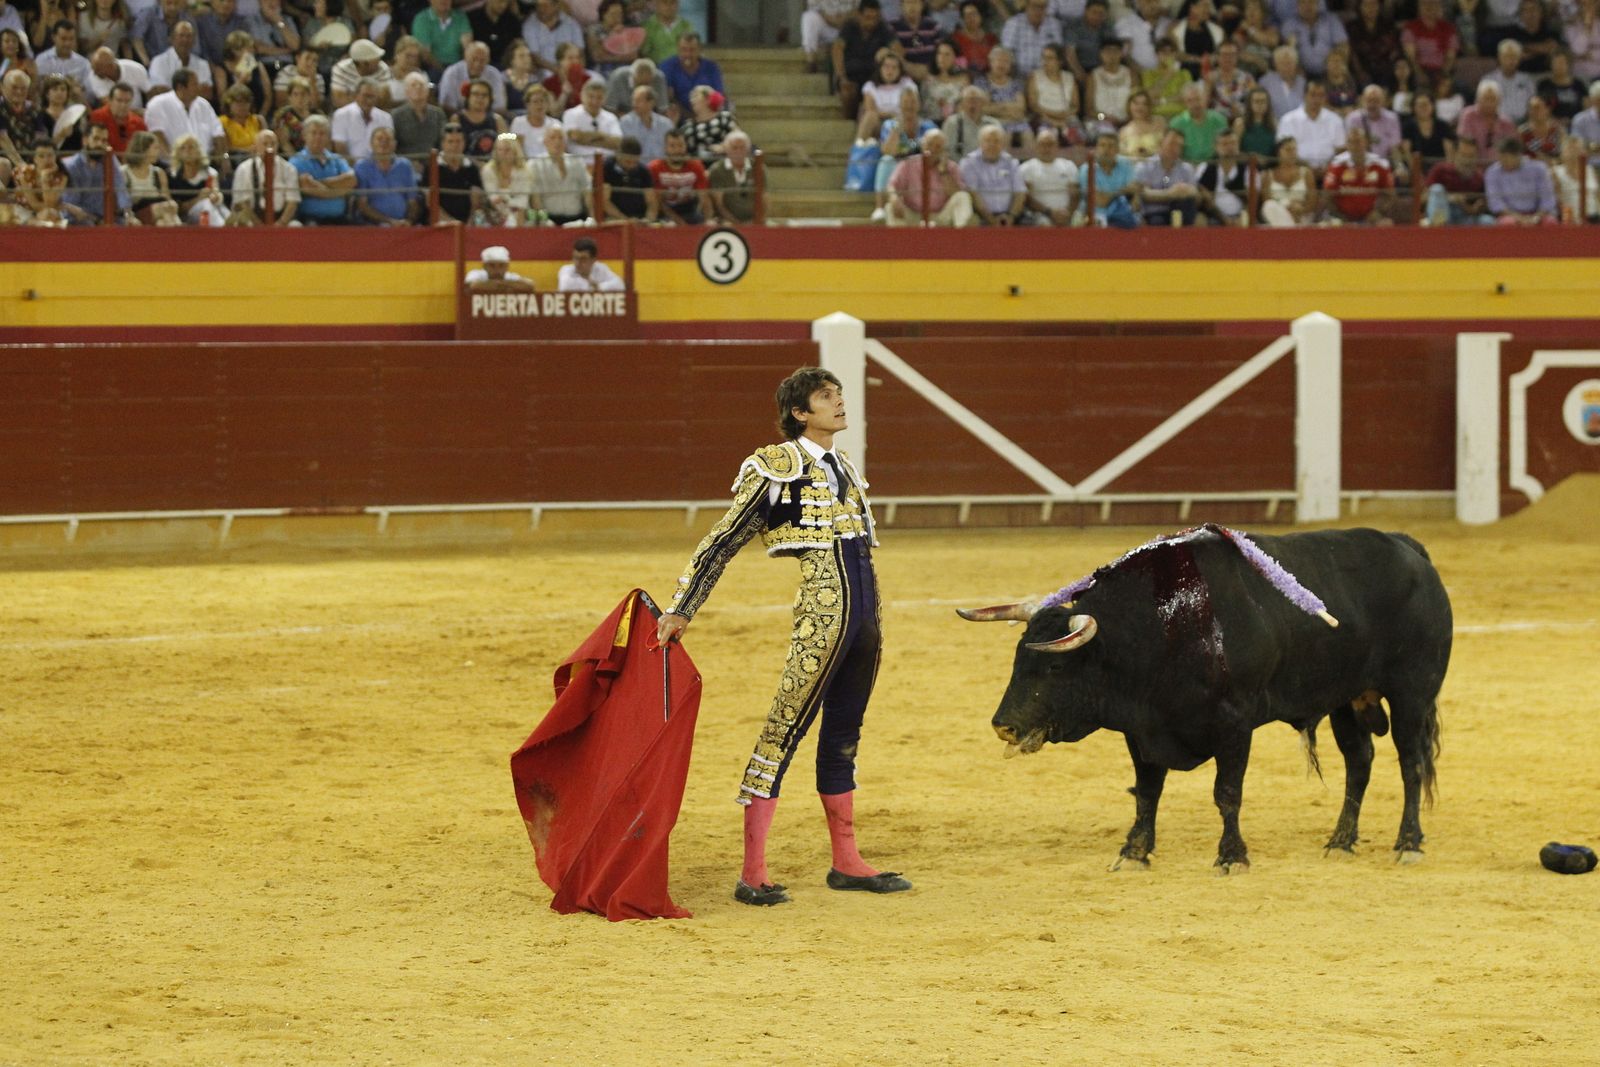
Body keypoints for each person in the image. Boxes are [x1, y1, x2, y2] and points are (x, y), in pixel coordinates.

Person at [656, 366, 911, 906]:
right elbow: (724, 538)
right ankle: (753, 872)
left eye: (839, 394)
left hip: (866, 616)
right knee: (783, 728)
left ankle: (847, 862)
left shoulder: (843, 465)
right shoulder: (777, 466)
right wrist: (682, 607)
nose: (840, 403)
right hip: (824, 612)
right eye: (826, 397)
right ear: (800, 413)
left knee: (845, 731)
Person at [886, 126, 973, 226]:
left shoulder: (952, 167)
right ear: (923, 145)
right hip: (913, 214)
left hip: (941, 215)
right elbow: (892, 185)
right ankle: (900, 241)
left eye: (938, 146)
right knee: (890, 207)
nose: (933, 149)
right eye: (930, 144)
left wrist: (943, 172)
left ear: (944, 150)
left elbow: (956, 194)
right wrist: (894, 198)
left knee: (963, 197)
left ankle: (962, 239)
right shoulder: (908, 164)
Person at [60, 121, 132, 225]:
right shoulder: (71, 166)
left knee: (129, 227)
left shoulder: (109, 159)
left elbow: (120, 187)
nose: (100, 144)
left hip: (105, 217)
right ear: (85, 140)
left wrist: (128, 214)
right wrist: (97, 221)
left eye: (104, 141)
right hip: (78, 218)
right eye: (96, 139)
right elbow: (73, 207)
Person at [145, 68, 224, 161]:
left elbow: (218, 133)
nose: (199, 87)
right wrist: (174, 163)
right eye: (194, 84)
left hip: (205, 163)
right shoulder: (158, 104)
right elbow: (157, 136)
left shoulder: (203, 105)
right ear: (180, 87)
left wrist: (223, 159)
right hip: (172, 166)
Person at [290, 112, 355, 223]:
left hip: (340, 219)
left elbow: (351, 180)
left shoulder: (337, 159)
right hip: (310, 220)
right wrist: (339, 191)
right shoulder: (296, 161)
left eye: (322, 133)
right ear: (304, 135)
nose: (318, 137)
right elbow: (304, 185)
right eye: (314, 133)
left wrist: (317, 184)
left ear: (328, 137)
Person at [834, 0, 894, 119]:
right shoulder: (849, 27)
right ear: (859, 15)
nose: (871, 22)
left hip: (874, 78)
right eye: (868, 17)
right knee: (847, 91)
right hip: (851, 76)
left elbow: (897, 48)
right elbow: (837, 48)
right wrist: (842, 76)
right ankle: (848, 123)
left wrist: (889, 52)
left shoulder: (883, 28)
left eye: (875, 18)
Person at [1323, 125, 1394, 223]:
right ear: (1346, 144)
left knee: (1386, 224)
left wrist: (1378, 212)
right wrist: (1341, 217)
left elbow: (1390, 195)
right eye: (1351, 142)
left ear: (1366, 143)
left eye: (1358, 142)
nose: (1355, 146)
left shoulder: (1380, 165)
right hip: (1343, 219)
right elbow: (1327, 197)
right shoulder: (1337, 165)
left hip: (1373, 219)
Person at [959, 122, 1027, 225]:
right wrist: (991, 219)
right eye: (988, 141)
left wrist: (1011, 216)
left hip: (1011, 215)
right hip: (981, 215)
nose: (992, 145)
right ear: (980, 143)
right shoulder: (969, 163)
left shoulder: (1011, 162)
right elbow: (973, 194)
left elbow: (1020, 193)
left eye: (996, 141)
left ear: (1002, 144)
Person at [231, 127, 300, 224]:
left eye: (273, 144)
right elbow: (241, 202)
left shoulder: (289, 169)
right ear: (255, 146)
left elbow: (292, 201)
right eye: (265, 144)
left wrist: (281, 223)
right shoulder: (244, 169)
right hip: (252, 219)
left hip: (281, 220)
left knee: (296, 225)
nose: (269, 148)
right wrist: (258, 225)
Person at [353, 124, 419, 224]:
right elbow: (362, 205)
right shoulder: (362, 166)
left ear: (395, 144)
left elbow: (412, 201)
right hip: (372, 225)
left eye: (388, 139)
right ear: (371, 144)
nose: (384, 142)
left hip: (403, 224)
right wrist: (390, 221)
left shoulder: (405, 165)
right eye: (379, 139)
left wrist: (408, 221)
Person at [1276, 78, 1346, 171]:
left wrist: (1328, 167)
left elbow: (1340, 150)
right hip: (1297, 171)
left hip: (1329, 171)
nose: (1317, 99)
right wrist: (1307, 169)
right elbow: (1284, 151)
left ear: (1325, 98)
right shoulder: (1288, 120)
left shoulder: (1335, 120)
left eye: (1321, 95)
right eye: (1313, 95)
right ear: (1304, 95)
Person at [1484, 135, 1557, 222]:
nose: (1502, 162)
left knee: (1550, 221)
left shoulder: (1538, 169)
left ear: (1518, 156)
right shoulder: (1492, 172)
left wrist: (1537, 217)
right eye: (1500, 158)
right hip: (1509, 214)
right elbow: (1495, 202)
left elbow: (1547, 198)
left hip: (1537, 213)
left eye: (1506, 158)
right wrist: (1518, 218)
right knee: (1508, 223)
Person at [1134, 127, 1199, 224]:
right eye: (1172, 144)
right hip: (1153, 214)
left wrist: (1187, 190)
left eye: (1179, 146)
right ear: (1161, 143)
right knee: (1157, 221)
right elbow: (1143, 193)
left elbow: (1194, 193)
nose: (1175, 149)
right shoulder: (1144, 166)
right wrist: (1170, 194)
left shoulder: (1186, 168)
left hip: (1180, 212)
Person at [1424, 135, 1494, 223]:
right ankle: (1438, 229)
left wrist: (1468, 206)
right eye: (1464, 155)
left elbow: (1478, 208)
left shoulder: (1479, 178)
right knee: (1437, 189)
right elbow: (1424, 197)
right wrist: (1450, 198)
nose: (1467, 160)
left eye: (1471, 156)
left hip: (1465, 218)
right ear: (1454, 154)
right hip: (1444, 213)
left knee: (1488, 221)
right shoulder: (1440, 170)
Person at [976, 45, 1032, 155]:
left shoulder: (1016, 83)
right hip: (992, 120)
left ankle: (1029, 166)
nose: (1002, 65)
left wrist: (998, 107)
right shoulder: (982, 82)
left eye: (1006, 62)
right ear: (991, 62)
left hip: (1015, 120)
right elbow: (984, 109)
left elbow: (1021, 108)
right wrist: (1008, 107)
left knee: (1027, 133)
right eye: (999, 60)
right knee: (1005, 133)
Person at [531, 124, 592, 223]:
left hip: (577, 219)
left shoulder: (577, 161)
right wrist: (543, 221)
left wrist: (591, 218)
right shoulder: (535, 164)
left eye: (561, 138)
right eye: (552, 138)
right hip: (549, 220)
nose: (557, 142)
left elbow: (587, 192)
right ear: (545, 142)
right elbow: (536, 199)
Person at [647, 126, 707, 223]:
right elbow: (656, 201)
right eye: (672, 146)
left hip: (690, 210)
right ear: (665, 148)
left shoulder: (696, 165)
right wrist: (677, 220)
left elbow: (703, 196)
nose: (677, 150)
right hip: (663, 211)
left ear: (686, 146)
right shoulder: (654, 168)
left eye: (680, 145)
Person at [1020, 125, 1077, 225]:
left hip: (1067, 213)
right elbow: (1027, 199)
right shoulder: (1026, 168)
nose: (1046, 148)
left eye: (1050, 144)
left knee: (1080, 222)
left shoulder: (1069, 166)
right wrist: (1050, 213)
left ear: (1057, 146)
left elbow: (1075, 195)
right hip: (1039, 214)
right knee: (1044, 223)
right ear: (1036, 146)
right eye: (1043, 145)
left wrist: (1067, 213)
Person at [1081, 127, 1138, 225]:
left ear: (1117, 150)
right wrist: (1122, 192)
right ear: (1096, 148)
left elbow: (1135, 192)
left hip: (1123, 214)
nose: (1106, 150)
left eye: (1111, 146)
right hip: (1096, 215)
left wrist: (1133, 199)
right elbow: (1100, 201)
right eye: (1102, 145)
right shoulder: (1086, 169)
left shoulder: (1126, 164)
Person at [658, 32, 722, 120]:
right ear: (678, 49)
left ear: (700, 49)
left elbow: (717, 95)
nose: (688, 54)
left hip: (708, 117)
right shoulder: (667, 67)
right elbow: (667, 98)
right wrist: (692, 118)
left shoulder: (711, 67)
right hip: (677, 119)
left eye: (692, 50)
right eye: (684, 50)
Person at [122, 129, 181, 224]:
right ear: (144, 149)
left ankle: (174, 233)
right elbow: (123, 200)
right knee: (168, 208)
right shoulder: (124, 172)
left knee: (162, 223)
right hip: (138, 210)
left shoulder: (159, 172)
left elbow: (167, 198)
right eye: (155, 148)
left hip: (159, 209)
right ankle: (180, 234)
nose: (159, 151)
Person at [1279, 0, 1346, 79]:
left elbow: (1343, 46)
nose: (1307, 6)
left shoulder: (1332, 20)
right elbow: (1287, 52)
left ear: (1318, 3)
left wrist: (1336, 67)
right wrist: (1296, 69)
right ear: (1297, 5)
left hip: (1330, 72)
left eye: (1311, 2)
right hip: (1301, 74)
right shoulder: (1289, 25)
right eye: (1303, 2)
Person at [1259, 134, 1318, 224]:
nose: (1292, 153)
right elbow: (1266, 200)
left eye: (1294, 149)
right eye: (1288, 150)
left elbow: (1312, 201)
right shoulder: (1268, 175)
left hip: (1302, 216)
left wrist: (1300, 210)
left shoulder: (1306, 173)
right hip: (1278, 216)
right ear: (1278, 152)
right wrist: (1287, 206)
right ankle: (1291, 232)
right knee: (1269, 206)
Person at [331, 76, 393, 161]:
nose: (369, 100)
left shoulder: (386, 118)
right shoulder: (341, 115)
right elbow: (340, 149)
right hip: (350, 168)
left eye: (372, 97)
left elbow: (389, 147)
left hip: (379, 168)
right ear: (356, 95)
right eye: (366, 96)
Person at [149, 20, 213, 100]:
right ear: (171, 39)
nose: (185, 40)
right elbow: (157, 92)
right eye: (181, 35)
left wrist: (172, 91)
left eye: (189, 36)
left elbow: (207, 93)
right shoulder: (158, 62)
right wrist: (193, 92)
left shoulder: (203, 64)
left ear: (194, 40)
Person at [482, 128, 535, 223]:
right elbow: (492, 198)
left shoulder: (524, 170)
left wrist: (504, 199)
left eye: (507, 150)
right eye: (500, 150)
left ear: (515, 151)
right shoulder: (488, 170)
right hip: (495, 212)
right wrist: (507, 202)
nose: (503, 154)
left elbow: (523, 199)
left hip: (520, 212)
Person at [1170, 81, 1229, 163]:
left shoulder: (1219, 120)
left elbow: (1226, 149)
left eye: (1198, 99)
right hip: (1187, 168)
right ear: (1184, 103)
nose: (1195, 104)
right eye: (1190, 101)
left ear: (1205, 98)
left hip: (1213, 166)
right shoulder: (1176, 124)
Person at [1402, 0, 1459, 87]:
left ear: (1439, 6)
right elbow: (1411, 56)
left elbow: (1450, 57)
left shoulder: (1449, 29)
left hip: (1441, 71)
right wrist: (1419, 74)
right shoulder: (1410, 28)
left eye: (1433, 3)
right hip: (1418, 70)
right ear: (1419, 7)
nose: (1429, 7)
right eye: (1425, 3)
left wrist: (1443, 74)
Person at [1000, 0, 1062, 79]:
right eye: (1034, 6)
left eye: (1042, 7)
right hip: (1019, 76)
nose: (1038, 10)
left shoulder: (1054, 25)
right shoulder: (1013, 23)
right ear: (1026, 6)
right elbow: (1006, 54)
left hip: (1047, 76)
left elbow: (1057, 54)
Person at [563, 78, 622, 160]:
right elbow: (576, 136)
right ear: (582, 96)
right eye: (591, 97)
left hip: (606, 164)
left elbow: (617, 142)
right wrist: (601, 135)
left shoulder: (611, 117)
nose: (594, 101)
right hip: (580, 163)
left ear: (605, 99)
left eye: (599, 97)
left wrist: (586, 138)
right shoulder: (571, 114)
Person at [440, 41, 507, 113]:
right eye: (474, 59)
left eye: (482, 60)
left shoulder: (494, 74)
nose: (477, 64)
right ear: (465, 57)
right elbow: (447, 106)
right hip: (458, 117)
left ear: (488, 60)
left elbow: (500, 106)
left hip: (488, 117)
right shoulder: (452, 73)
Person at [392, 70, 445, 161]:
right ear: (406, 91)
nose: (418, 88)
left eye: (422, 85)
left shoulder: (438, 114)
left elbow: (443, 142)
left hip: (434, 163)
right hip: (405, 164)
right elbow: (393, 145)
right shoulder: (396, 115)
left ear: (427, 91)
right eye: (413, 85)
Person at [1480, 38, 1537, 122]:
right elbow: (1482, 108)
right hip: (1496, 124)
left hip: (1523, 124)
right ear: (1499, 57)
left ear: (1519, 59)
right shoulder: (1488, 80)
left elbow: (1534, 106)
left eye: (1514, 57)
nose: (1511, 60)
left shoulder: (1527, 80)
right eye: (1507, 56)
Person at [1197, 129, 1248, 223]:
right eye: (1225, 144)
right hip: (1213, 216)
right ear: (1216, 147)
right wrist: (1224, 219)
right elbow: (1205, 199)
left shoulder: (1248, 169)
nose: (1230, 147)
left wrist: (1242, 217)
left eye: (1233, 143)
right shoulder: (1205, 167)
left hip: (1240, 217)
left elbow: (1252, 199)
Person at [708, 127, 757, 223]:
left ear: (748, 150)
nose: (738, 152)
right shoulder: (717, 170)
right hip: (726, 220)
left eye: (742, 148)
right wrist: (735, 223)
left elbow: (764, 198)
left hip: (753, 220)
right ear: (727, 150)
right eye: (734, 148)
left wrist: (758, 221)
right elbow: (719, 204)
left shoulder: (758, 168)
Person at [436, 122, 482, 223]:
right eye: (450, 142)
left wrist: (469, 222)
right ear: (443, 144)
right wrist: (451, 222)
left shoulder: (472, 168)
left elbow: (477, 201)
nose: (455, 146)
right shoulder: (433, 167)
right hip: (440, 223)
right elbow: (430, 202)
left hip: (468, 224)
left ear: (464, 143)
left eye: (458, 141)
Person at [679, 84, 738, 163]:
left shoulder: (724, 118)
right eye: (691, 97)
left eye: (695, 96)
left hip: (721, 164)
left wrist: (724, 147)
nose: (691, 100)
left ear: (708, 99)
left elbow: (739, 139)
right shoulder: (687, 126)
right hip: (696, 167)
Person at [1346, 83, 1402, 165]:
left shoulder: (1392, 118)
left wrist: (1399, 166)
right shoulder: (1353, 119)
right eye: (1369, 100)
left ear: (1383, 102)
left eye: (1376, 101)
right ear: (1362, 101)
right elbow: (1350, 146)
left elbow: (1394, 148)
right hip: (1359, 164)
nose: (1372, 105)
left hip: (1384, 163)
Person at [1457, 80, 1517, 155]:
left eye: (1492, 99)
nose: (1489, 103)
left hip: (1501, 165)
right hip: (1473, 163)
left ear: (1499, 101)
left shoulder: (1507, 123)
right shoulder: (1468, 115)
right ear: (1478, 99)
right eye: (1486, 98)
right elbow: (1465, 143)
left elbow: (1512, 149)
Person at [329, 38, 391, 110]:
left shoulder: (383, 68)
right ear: (364, 63)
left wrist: (352, 96)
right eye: (376, 58)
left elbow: (383, 101)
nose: (379, 60)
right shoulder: (341, 69)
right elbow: (339, 100)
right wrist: (370, 98)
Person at [411, 0, 470, 75]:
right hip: (433, 67)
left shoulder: (460, 17)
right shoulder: (421, 19)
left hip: (457, 65)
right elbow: (425, 53)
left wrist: (460, 68)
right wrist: (443, 71)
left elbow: (467, 47)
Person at [36, 19, 93, 97]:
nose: (68, 43)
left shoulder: (83, 63)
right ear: (54, 37)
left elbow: (89, 91)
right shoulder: (42, 60)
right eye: (63, 39)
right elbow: (38, 89)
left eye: (71, 39)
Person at [601, 133, 652, 219]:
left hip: (640, 218)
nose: (631, 165)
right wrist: (626, 220)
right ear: (618, 155)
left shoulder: (643, 170)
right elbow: (604, 201)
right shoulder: (607, 168)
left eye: (635, 162)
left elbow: (651, 202)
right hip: (615, 218)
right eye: (628, 162)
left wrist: (648, 220)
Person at [89, 81, 147, 154]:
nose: (123, 105)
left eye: (127, 101)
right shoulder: (97, 117)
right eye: (119, 100)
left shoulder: (139, 123)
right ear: (110, 100)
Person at [890, 0, 941, 81]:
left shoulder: (933, 26)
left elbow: (941, 52)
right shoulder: (892, 27)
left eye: (916, 2)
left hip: (931, 75)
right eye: (908, 2)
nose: (912, 6)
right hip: (903, 77)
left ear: (922, 5)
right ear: (901, 6)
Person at [802, 0, 857, 74]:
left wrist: (844, 19)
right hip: (828, 26)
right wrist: (834, 21)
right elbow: (815, 9)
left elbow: (859, 8)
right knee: (808, 16)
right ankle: (811, 62)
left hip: (849, 27)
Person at [618, 83, 668, 162]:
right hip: (636, 169)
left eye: (638, 101)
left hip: (660, 169)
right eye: (633, 100)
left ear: (651, 103)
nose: (634, 104)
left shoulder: (666, 124)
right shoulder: (625, 122)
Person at [603, 57, 669, 114]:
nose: (642, 88)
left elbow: (662, 109)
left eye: (646, 84)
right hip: (622, 114)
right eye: (639, 84)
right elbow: (609, 108)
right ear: (633, 77)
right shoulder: (618, 77)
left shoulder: (659, 78)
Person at [558, 236, 625, 291]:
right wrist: (594, 288)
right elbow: (565, 287)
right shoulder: (566, 270)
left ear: (593, 260)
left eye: (583, 259)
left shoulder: (601, 269)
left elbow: (620, 285)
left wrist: (599, 286)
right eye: (575, 258)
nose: (577, 263)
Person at [950, 0, 997, 75]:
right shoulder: (955, 38)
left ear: (981, 15)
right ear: (962, 18)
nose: (970, 18)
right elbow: (953, 65)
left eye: (974, 14)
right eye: (966, 15)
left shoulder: (991, 38)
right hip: (964, 78)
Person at [511, 85, 559, 158]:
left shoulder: (555, 124)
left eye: (542, 101)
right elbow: (516, 150)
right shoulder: (518, 123)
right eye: (535, 102)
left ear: (547, 104)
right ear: (528, 105)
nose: (539, 105)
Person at [639, 0, 693, 65]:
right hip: (657, 71)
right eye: (664, 2)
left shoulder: (686, 25)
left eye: (672, 2)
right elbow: (644, 55)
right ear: (656, 4)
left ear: (678, 4)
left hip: (682, 70)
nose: (669, 6)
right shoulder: (647, 27)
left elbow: (691, 53)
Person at [1118, 89, 1165, 159]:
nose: (1140, 107)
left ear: (1149, 107)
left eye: (1144, 104)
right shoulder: (1123, 131)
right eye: (1136, 103)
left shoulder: (1159, 122)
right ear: (1129, 106)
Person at [465, 244, 535, 292]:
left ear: (507, 267)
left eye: (501, 265)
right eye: (492, 266)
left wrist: (495, 284)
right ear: (484, 266)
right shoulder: (476, 274)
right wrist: (506, 285)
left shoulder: (510, 276)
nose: (497, 270)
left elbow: (530, 285)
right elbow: (473, 285)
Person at [1235, 85, 1277, 161]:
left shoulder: (1275, 123)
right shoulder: (1240, 124)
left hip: (1269, 166)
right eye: (1256, 101)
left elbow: (1277, 150)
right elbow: (1235, 150)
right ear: (1250, 104)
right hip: (1246, 166)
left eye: (1263, 101)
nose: (1260, 105)